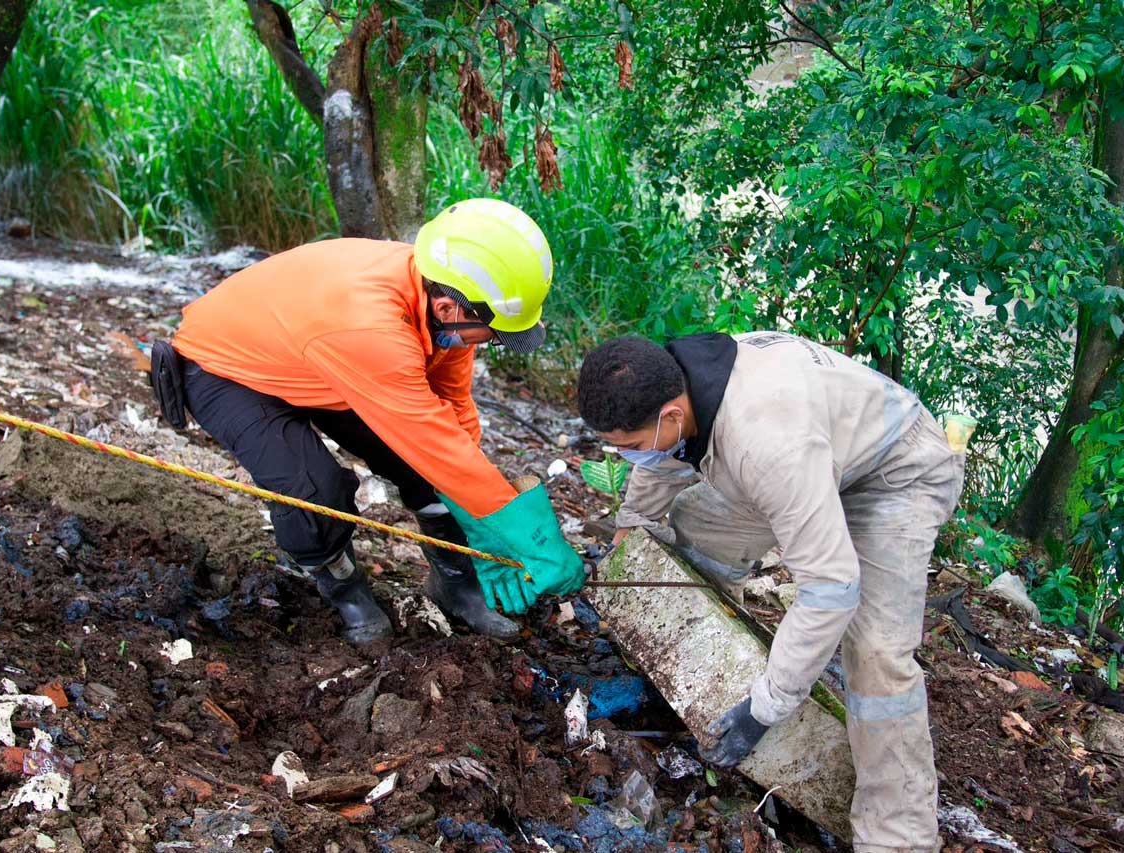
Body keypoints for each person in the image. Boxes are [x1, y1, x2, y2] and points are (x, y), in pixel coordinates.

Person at [576, 331, 964, 851]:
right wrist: (633, 523)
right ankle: (698, 675)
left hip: (893, 474)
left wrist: (767, 706)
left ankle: (898, 835)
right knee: (698, 526)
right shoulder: (678, 381)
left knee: (876, 654)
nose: (626, 458)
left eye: (627, 447)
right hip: (815, 457)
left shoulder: (766, 445)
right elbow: (663, 460)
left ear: (670, 415)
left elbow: (831, 586)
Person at [150, 198, 584, 644]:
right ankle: (346, 589)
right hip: (227, 368)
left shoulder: (446, 307)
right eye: (493, 333)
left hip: (312, 355)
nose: (490, 342)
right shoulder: (373, 327)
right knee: (312, 491)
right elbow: (432, 442)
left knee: (428, 468)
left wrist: (483, 523)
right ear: (450, 309)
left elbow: (452, 416)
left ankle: (456, 583)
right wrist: (525, 534)